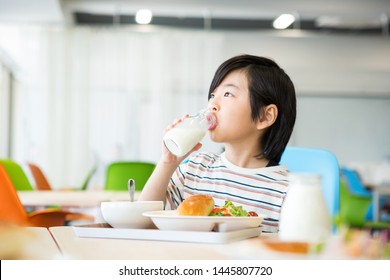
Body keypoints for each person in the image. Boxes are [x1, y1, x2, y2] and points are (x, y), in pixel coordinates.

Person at [139, 54, 296, 233]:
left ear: (264, 116)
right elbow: (145, 223)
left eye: (228, 94)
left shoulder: (289, 191)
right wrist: (167, 163)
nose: (212, 103)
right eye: (213, 94)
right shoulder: (195, 169)